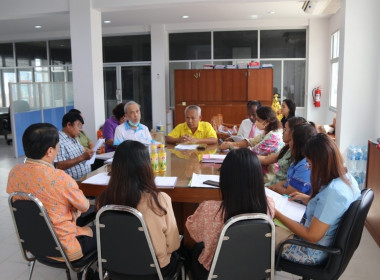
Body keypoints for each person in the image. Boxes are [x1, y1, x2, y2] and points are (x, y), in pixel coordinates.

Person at [7, 123, 96, 262]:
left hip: (34, 244)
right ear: (50, 151)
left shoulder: (14, 173)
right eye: (57, 145)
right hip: (64, 248)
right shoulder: (60, 178)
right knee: (104, 231)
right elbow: (84, 206)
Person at [186, 148, 275, 280]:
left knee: (191, 252)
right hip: (254, 272)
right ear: (257, 177)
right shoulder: (269, 205)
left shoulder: (209, 209)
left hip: (215, 274)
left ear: (225, 178)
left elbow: (194, 233)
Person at [95, 140, 180, 278]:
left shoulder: (103, 200)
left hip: (116, 269)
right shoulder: (159, 199)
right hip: (154, 272)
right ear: (146, 166)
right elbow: (173, 244)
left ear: (115, 166)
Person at [275, 133, 361, 265]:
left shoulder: (334, 193)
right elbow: (334, 211)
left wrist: (277, 214)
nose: (309, 168)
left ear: (320, 163)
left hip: (311, 252)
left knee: (262, 233)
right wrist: (309, 199)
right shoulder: (347, 178)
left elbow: (311, 237)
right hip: (322, 243)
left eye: (309, 163)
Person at [219, 106, 283, 182]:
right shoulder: (268, 131)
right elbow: (251, 141)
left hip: (268, 177)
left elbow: (252, 153)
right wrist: (232, 144)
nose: (256, 123)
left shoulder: (273, 137)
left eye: (258, 120)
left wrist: (231, 146)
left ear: (267, 121)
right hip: (259, 170)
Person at [268, 122, 317, 195]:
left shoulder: (305, 165)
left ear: (298, 144)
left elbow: (291, 194)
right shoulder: (298, 160)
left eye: (291, 140)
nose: (289, 143)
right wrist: (275, 186)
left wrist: (276, 187)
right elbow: (289, 182)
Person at [259, 116, 307, 187]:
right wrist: (246, 156)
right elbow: (266, 159)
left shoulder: (299, 155)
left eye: (285, 129)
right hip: (272, 185)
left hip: (280, 190)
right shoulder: (287, 148)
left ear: (293, 132)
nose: (282, 132)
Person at [55, 112, 94, 180]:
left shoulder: (74, 137)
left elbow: (81, 151)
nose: (80, 129)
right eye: (78, 126)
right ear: (69, 125)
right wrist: (82, 157)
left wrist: (89, 153)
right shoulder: (59, 141)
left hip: (85, 178)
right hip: (72, 183)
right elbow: (59, 165)